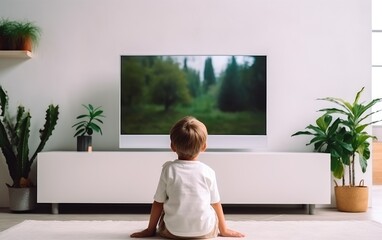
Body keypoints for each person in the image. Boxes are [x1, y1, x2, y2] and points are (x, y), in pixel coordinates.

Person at [131, 116, 245, 239]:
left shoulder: (168, 170)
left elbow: (158, 202)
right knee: (209, 207)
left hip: (172, 233)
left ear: (172, 146)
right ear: (204, 147)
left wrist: (150, 230)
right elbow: (216, 203)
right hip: (205, 233)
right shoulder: (208, 172)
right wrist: (224, 230)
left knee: (166, 205)